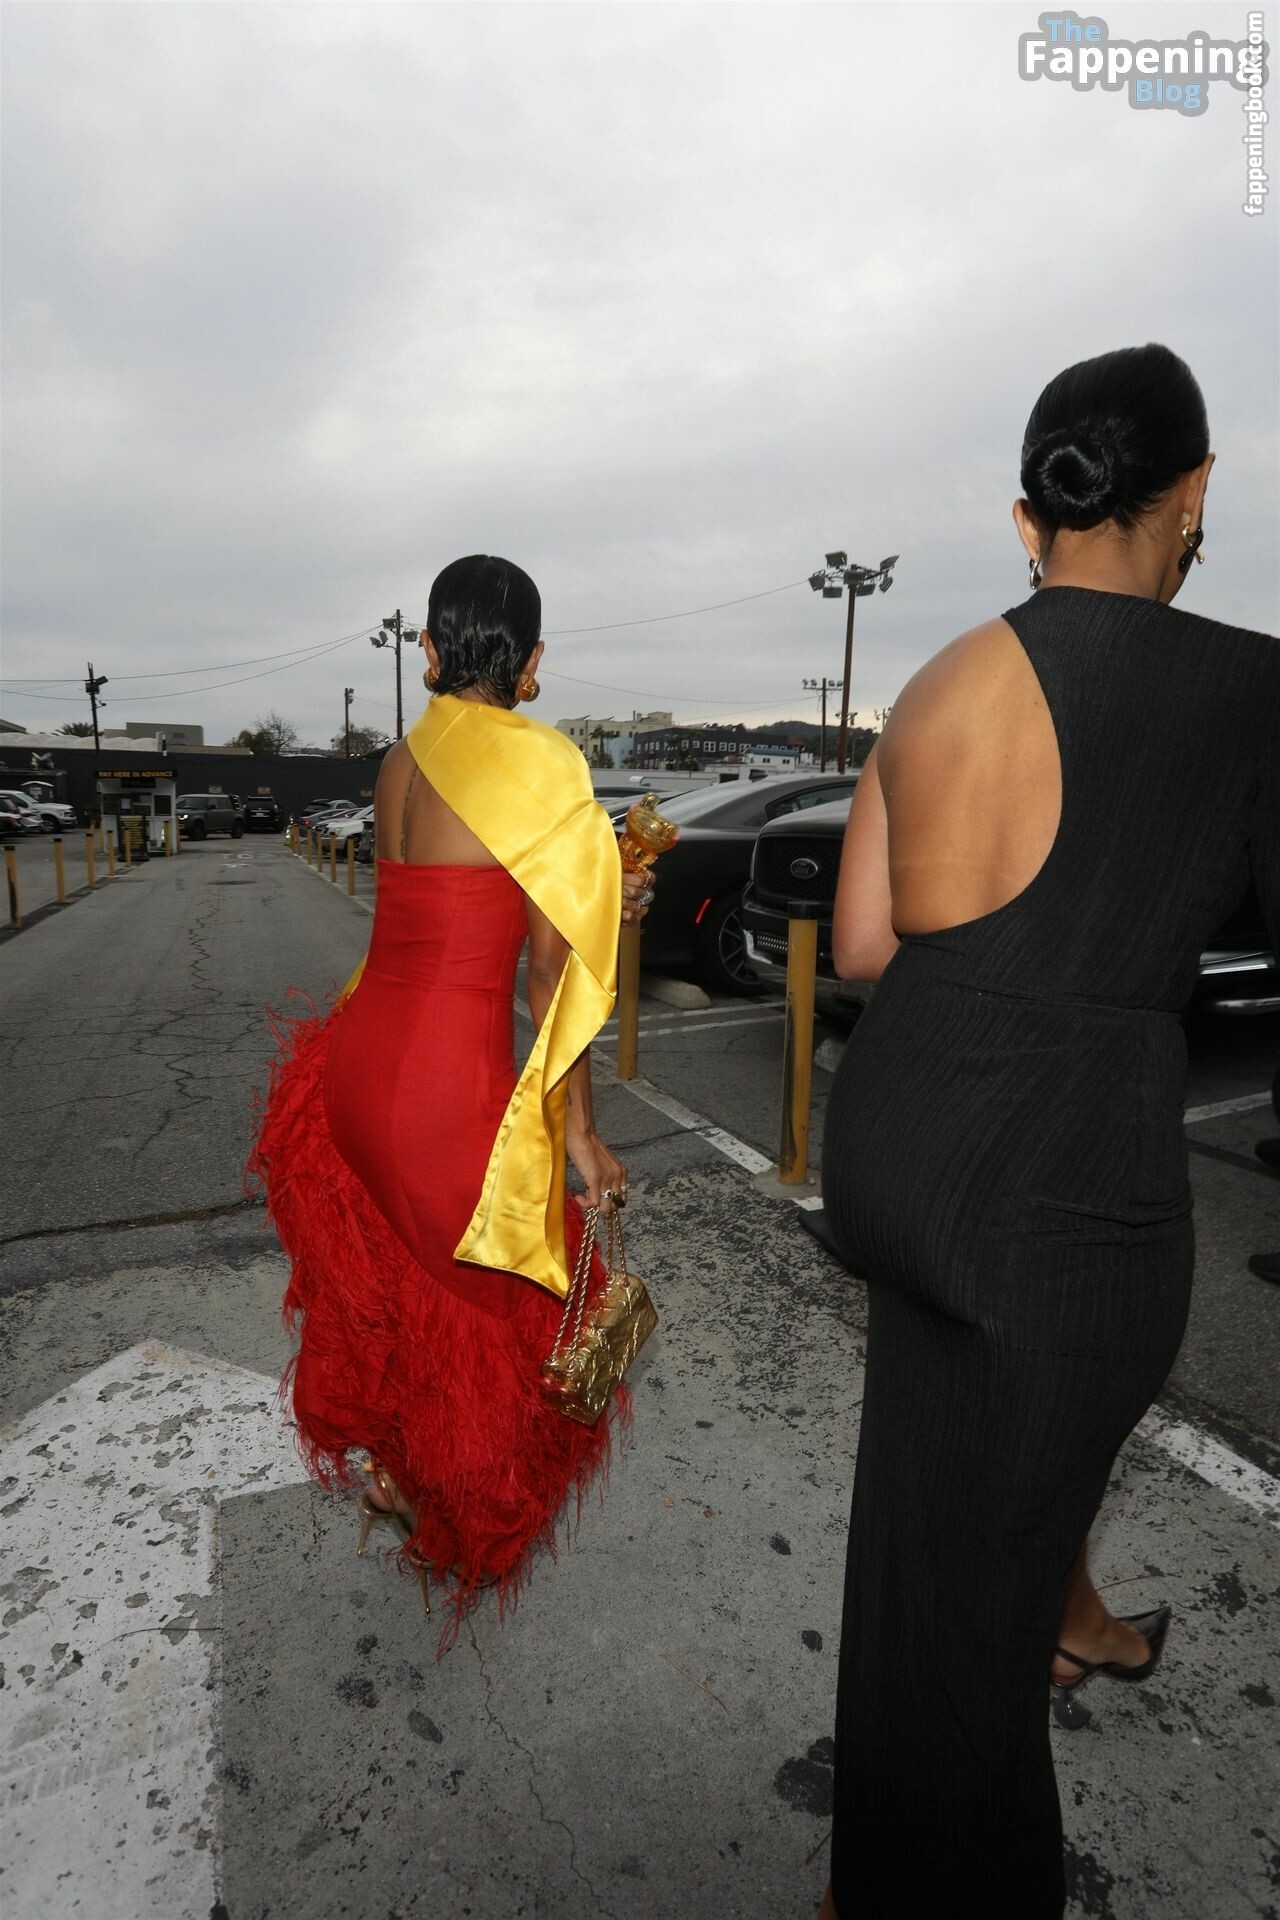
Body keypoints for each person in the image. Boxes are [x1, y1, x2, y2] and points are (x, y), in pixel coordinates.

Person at [816, 345, 1279, 1917]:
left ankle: (883, 1859)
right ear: (1195, 490)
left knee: (920, 1540)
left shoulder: (937, 682)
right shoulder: (1246, 688)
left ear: (1033, 517)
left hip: (898, 1149)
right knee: (979, 1611)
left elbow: (864, 945)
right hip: (1062, 1190)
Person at [248, 554, 654, 1648]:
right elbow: (546, 979)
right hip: (442, 1095)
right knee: (503, 1319)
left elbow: (457, 902)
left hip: (355, 1069)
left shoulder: (402, 757)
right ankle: (444, 1507)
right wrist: (578, 1132)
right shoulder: (542, 760)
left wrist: (597, 887)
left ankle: (387, 1466)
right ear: (532, 660)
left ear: (428, 650)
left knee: (389, 1285)